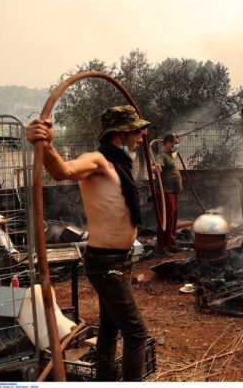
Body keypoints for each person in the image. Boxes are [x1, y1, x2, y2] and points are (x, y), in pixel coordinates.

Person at [26, 105, 151, 381]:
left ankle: (106, 379)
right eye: (136, 131)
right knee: (136, 334)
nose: (141, 136)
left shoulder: (120, 163)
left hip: (120, 260)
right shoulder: (96, 160)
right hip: (107, 263)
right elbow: (62, 170)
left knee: (110, 326)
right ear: (121, 133)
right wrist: (46, 144)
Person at [153, 133, 182, 257]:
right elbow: (156, 166)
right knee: (165, 220)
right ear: (168, 143)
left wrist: (175, 151)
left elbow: (175, 153)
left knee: (172, 220)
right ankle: (162, 247)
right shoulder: (161, 154)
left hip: (172, 192)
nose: (177, 146)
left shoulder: (170, 154)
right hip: (165, 192)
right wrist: (156, 168)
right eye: (176, 143)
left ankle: (171, 244)